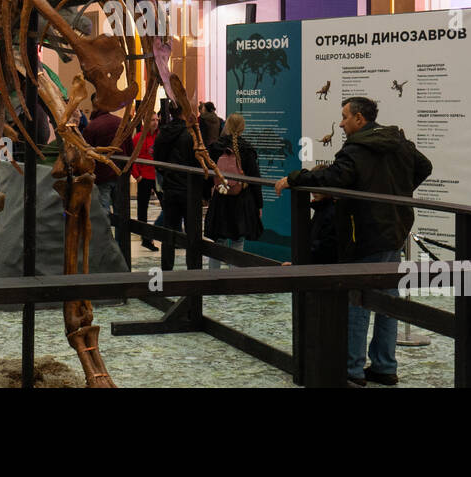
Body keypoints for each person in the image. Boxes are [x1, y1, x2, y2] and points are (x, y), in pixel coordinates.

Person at [274, 96, 432, 387]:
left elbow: (334, 177)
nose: (341, 122)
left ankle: (352, 369)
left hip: (366, 233)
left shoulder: (357, 149)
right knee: (387, 299)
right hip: (394, 230)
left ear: (360, 119)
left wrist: (296, 177)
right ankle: (384, 366)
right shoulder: (397, 141)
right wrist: (397, 191)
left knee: (358, 301)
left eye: (345, 117)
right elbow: (424, 166)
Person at [205, 113, 263, 269]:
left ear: (227, 126)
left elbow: (207, 174)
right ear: (243, 128)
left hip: (221, 198)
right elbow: (255, 180)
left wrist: (207, 195)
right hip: (241, 200)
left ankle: (212, 276)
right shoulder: (247, 150)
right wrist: (259, 205)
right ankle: (235, 278)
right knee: (238, 241)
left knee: (219, 241)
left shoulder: (215, 148)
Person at [152, 103, 199, 266]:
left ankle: (166, 267)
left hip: (170, 187)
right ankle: (193, 268)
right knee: (192, 232)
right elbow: (196, 161)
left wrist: (167, 175)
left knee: (169, 231)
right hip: (189, 188)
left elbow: (157, 159)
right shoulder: (190, 134)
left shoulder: (163, 133)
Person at [82, 94, 122, 209]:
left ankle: (105, 227)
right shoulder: (120, 122)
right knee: (121, 211)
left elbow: (86, 152)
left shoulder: (92, 127)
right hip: (119, 174)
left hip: (102, 176)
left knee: (103, 211)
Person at [130, 111, 161, 251]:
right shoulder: (138, 138)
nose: (155, 122)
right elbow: (133, 158)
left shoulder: (159, 137)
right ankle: (145, 238)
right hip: (145, 177)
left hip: (157, 176)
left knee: (166, 206)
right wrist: (138, 176)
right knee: (143, 209)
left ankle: (155, 233)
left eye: (156, 119)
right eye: (152, 120)